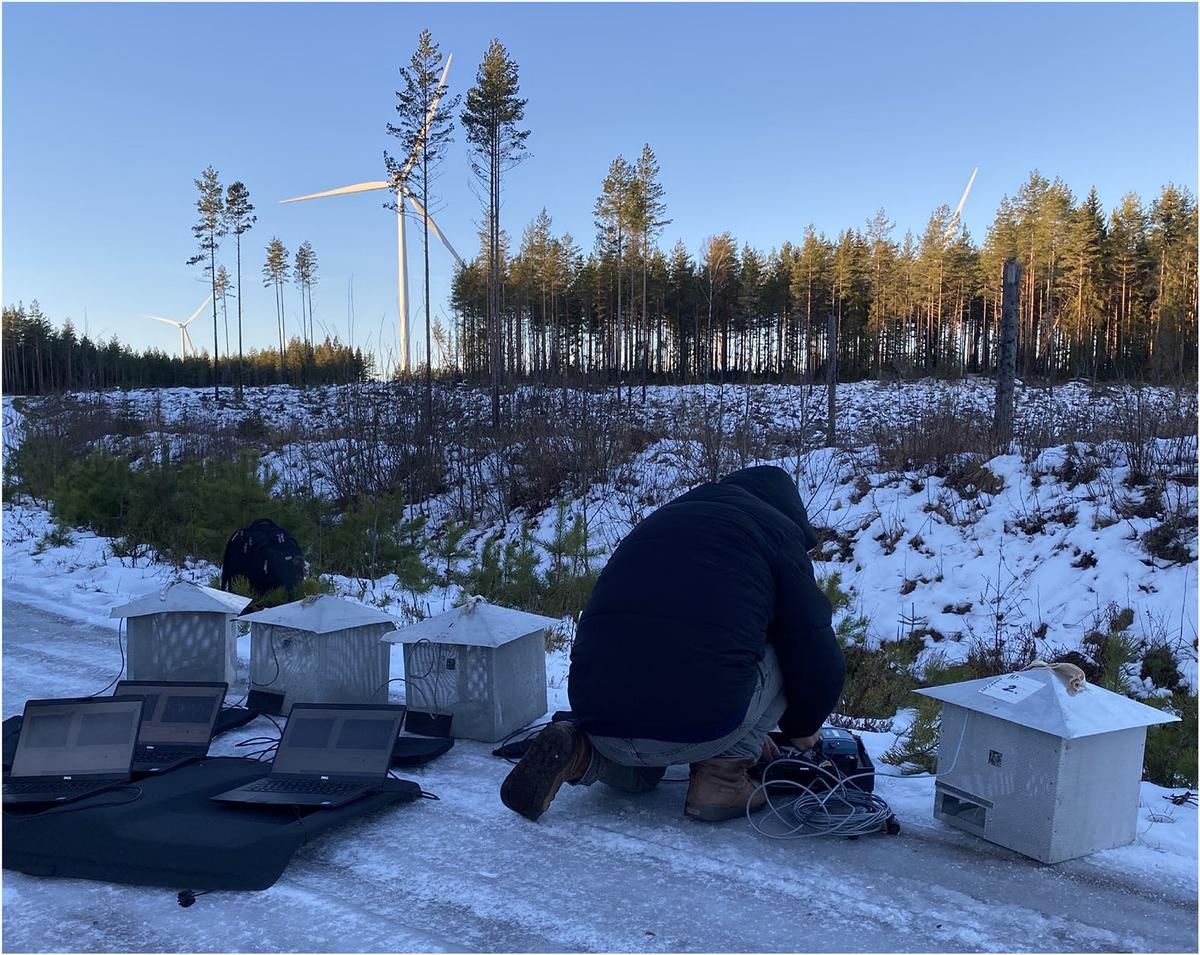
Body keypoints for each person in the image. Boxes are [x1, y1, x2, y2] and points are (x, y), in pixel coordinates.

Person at [500, 465, 845, 823]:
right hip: (700, 717)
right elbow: (814, 652)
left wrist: (754, 728)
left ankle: (581, 753)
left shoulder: (662, 521)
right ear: (789, 510)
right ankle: (721, 778)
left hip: (597, 713)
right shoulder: (776, 531)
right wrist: (801, 728)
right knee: (789, 641)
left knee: (639, 776)